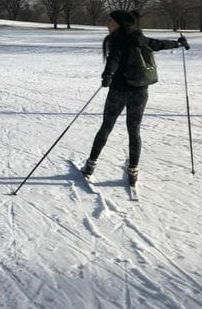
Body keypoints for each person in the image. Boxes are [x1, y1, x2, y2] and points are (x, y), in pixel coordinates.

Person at [81, 10, 189, 186]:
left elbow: (114, 57)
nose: (107, 23)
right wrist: (178, 44)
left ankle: (90, 166)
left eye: (110, 20)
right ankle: (133, 171)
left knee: (106, 127)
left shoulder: (117, 39)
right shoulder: (139, 37)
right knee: (134, 130)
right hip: (140, 92)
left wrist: (108, 75)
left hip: (118, 91)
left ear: (119, 23)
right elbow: (158, 44)